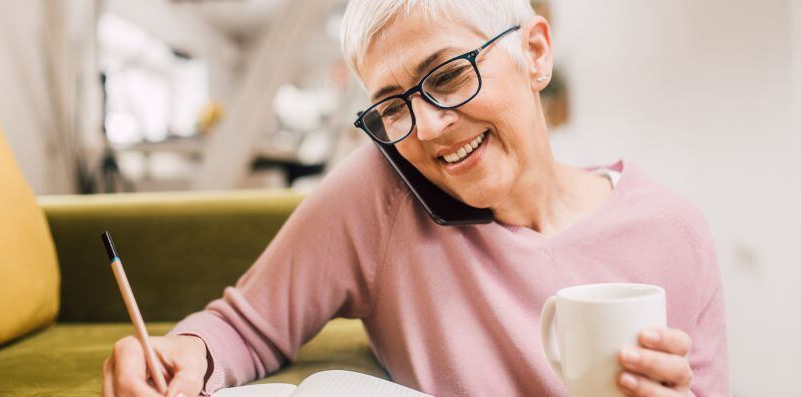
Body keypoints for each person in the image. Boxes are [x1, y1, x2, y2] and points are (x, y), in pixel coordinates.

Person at [102, 0, 730, 396]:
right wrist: (186, 353)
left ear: (534, 53)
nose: (426, 129)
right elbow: (246, 325)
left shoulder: (673, 233)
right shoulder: (380, 192)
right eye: (391, 106)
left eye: (451, 75)